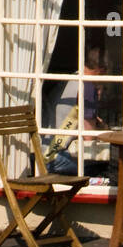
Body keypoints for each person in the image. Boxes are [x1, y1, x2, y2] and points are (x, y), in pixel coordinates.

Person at [44, 44, 109, 174]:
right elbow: (89, 138)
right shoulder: (88, 87)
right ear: (101, 70)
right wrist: (104, 129)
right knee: (103, 165)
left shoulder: (70, 79)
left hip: (40, 151)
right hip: (53, 158)